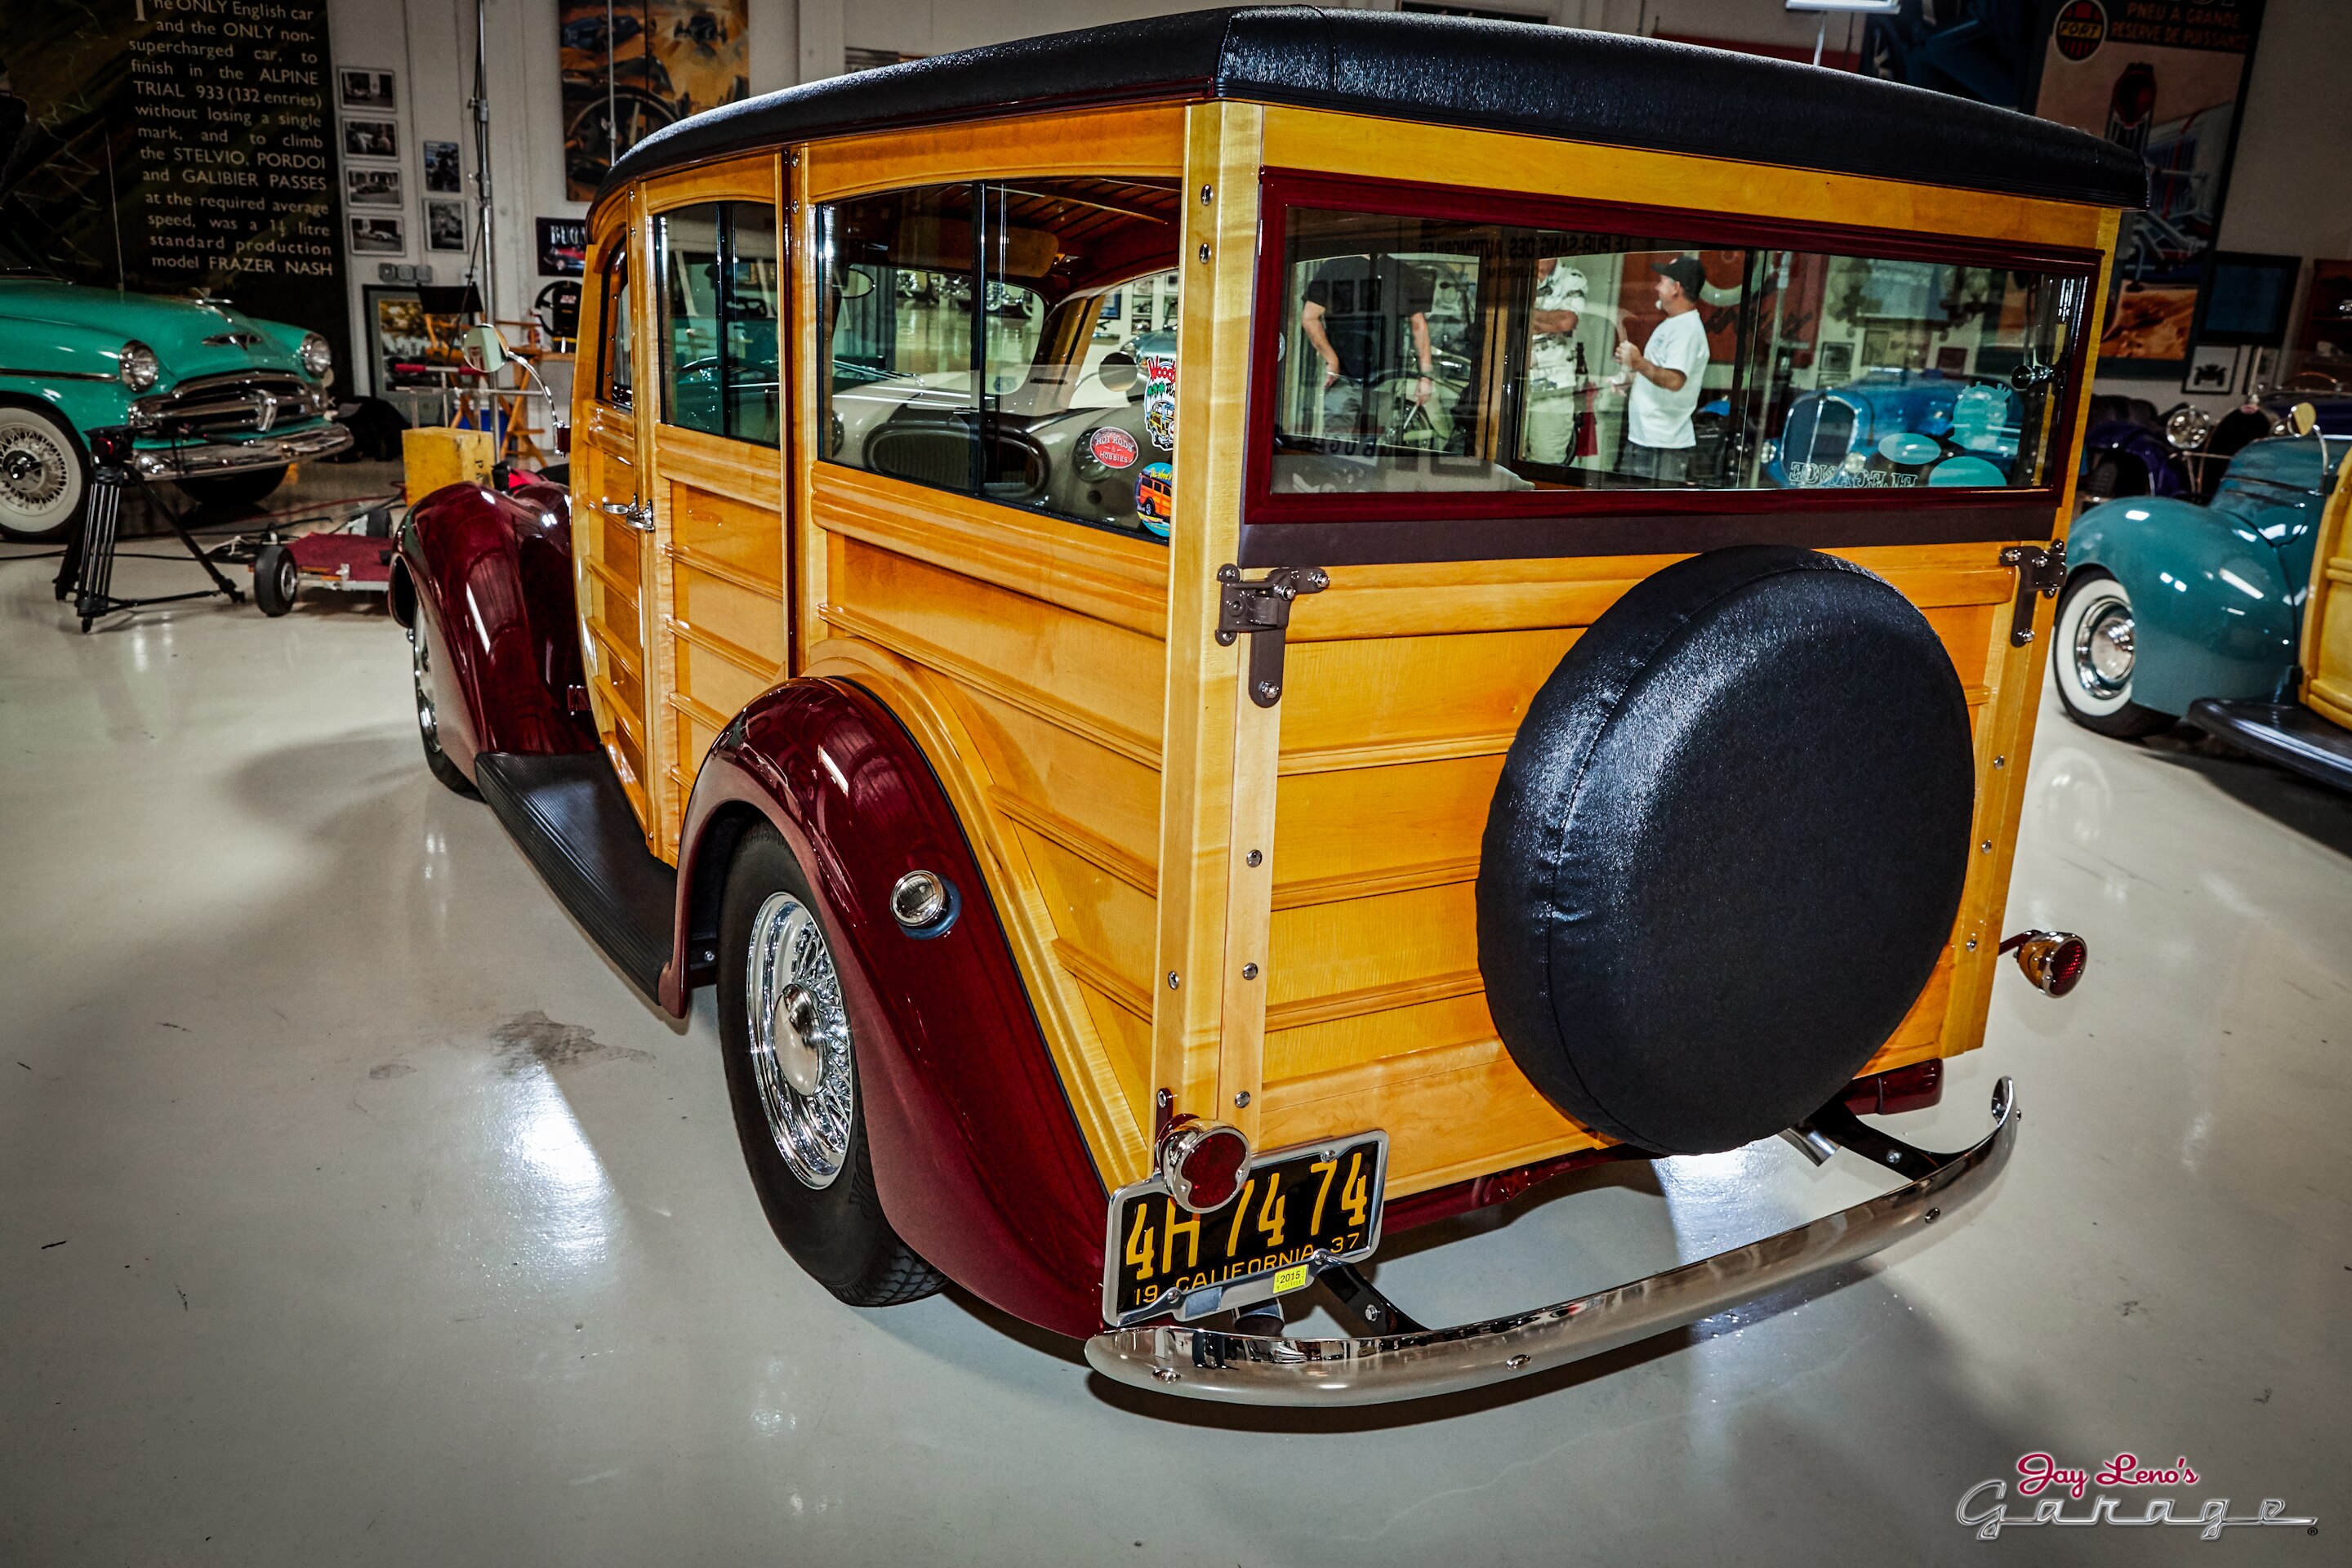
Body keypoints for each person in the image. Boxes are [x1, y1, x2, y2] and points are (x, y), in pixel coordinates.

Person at [1299, 253, 1434, 448]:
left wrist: (1426, 376)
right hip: (1343, 378)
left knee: (1374, 453)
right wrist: (1332, 360)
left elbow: (1419, 325)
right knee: (1337, 451)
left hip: (1385, 380)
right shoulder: (1335, 267)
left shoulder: (1402, 272)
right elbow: (1310, 317)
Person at [1612, 254, 1710, 485]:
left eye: (1662, 281)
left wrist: (1637, 362)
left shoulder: (1686, 330)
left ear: (1676, 288)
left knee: (1646, 516)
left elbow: (1675, 380)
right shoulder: (1674, 324)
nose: (1657, 286)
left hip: (1662, 446)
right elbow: (1660, 372)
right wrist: (1631, 378)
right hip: (1649, 439)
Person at [1522, 256, 1588, 465]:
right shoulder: (1517, 276)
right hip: (1514, 383)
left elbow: (1565, 321)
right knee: (1504, 457)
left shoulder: (1572, 279)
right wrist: (1545, 319)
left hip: (1553, 387)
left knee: (1546, 461)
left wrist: (1524, 316)